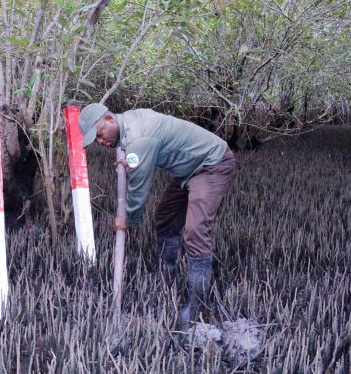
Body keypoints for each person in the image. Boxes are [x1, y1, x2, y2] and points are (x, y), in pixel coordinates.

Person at [79, 103, 236, 325]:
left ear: (108, 119)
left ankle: (198, 306)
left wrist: (129, 220)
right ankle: (167, 274)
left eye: (99, 135)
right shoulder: (129, 124)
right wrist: (132, 160)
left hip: (211, 163)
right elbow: (141, 156)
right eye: (96, 141)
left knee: (196, 230)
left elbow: (139, 188)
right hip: (189, 170)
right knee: (165, 217)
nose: (101, 142)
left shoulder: (139, 138)